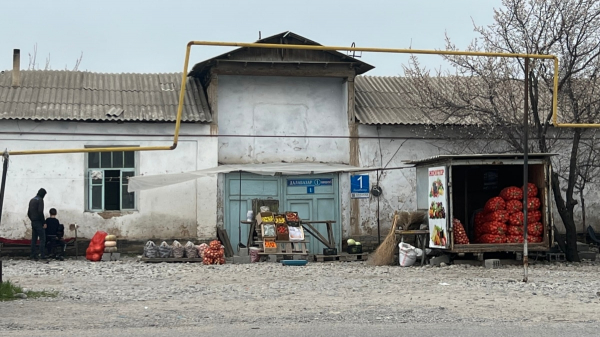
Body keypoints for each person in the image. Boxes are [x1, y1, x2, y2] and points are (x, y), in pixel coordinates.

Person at [27, 188, 47, 260]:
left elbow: (28, 213)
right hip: (38, 221)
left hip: (33, 221)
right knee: (42, 238)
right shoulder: (40, 200)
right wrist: (43, 222)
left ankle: (33, 254)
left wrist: (32, 219)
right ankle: (42, 255)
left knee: (34, 239)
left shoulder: (32, 200)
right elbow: (40, 211)